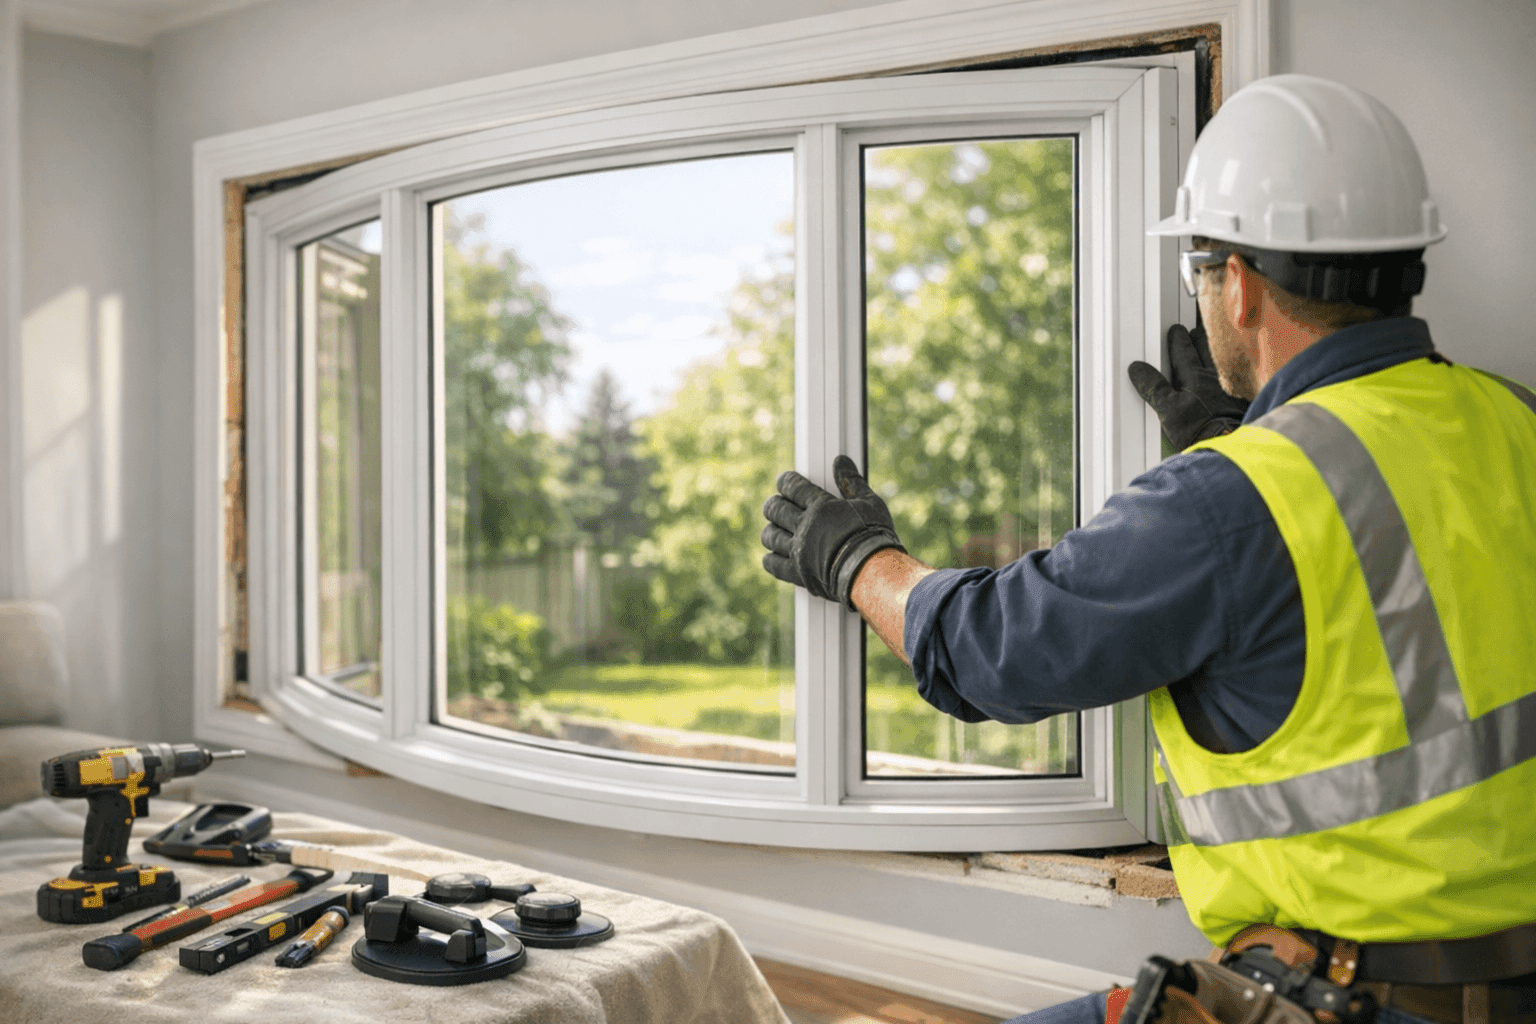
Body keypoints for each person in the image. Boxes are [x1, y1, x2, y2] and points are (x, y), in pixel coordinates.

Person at [759, 74, 1536, 1024]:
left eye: (1199, 272)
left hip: (1347, 999)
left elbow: (995, 650)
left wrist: (859, 561)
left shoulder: (1230, 500)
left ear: (1240, 285)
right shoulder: (1514, 418)